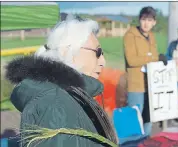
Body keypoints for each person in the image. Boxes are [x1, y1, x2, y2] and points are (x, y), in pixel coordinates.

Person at [5, 15, 118, 147]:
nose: (103, 62)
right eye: (98, 52)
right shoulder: (55, 104)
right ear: (67, 51)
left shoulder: (65, 98)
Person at [123, 6, 167, 136]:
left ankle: (145, 142)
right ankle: (133, 144)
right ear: (139, 20)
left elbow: (152, 57)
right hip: (136, 85)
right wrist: (154, 58)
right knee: (135, 119)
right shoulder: (130, 35)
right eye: (143, 19)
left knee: (149, 118)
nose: (146, 23)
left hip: (152, 84)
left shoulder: (152, 36)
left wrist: (160, 59)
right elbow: (132, 60)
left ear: (154, 22)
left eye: (149, 20)